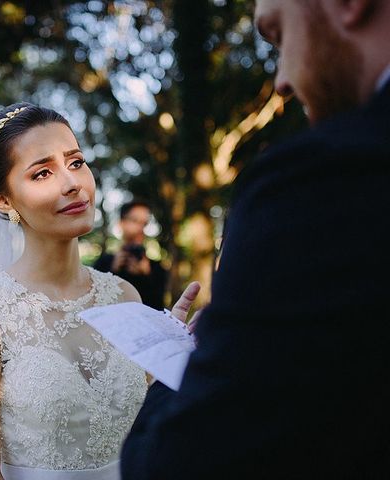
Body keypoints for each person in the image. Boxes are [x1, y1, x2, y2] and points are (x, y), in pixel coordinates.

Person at [121, 0, 390, 478]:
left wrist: (188, 360)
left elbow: (173, 465)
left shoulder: (328, 183)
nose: (282, 80)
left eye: (279, 34)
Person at [0, 103, 194, 480]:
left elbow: (139, 427)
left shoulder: (124, 295)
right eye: (42, 173)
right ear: (3, 200)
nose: (72, 183)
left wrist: (167, 361)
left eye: (75, 162)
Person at [93, 201, 168, 310]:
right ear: (121, 223)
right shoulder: (103, 263)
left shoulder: (156, 267)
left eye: (145, 223)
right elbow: (95, 305)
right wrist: (112, 271)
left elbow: (158, 309)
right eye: (135, 221)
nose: (140, 228)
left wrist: (146, 277)